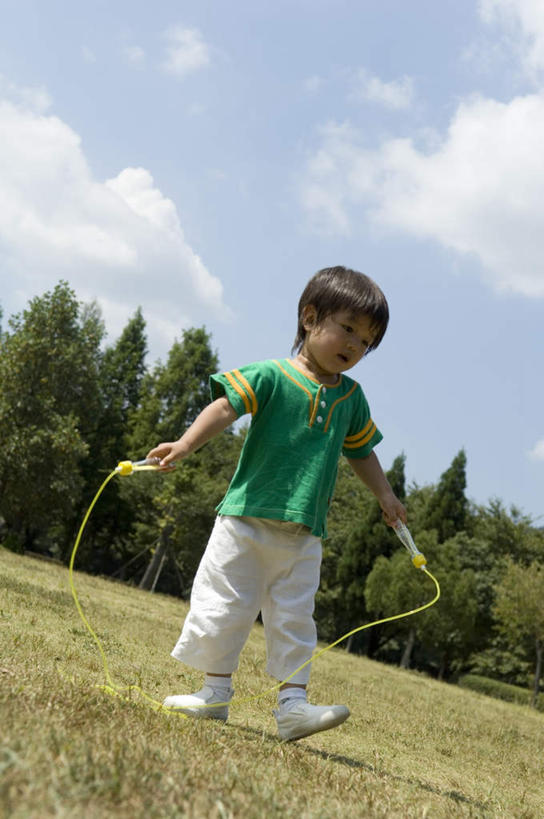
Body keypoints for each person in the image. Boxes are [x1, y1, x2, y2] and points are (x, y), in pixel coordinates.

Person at [147, 265, 407, 742]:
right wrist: (184, 445)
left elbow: (362, 452)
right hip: (243, 521)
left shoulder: (352, 399)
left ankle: (293, 707)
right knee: (223, 605)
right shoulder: (270, 375)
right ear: (310, 318)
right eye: (348, 328)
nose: (355, 345)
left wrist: (386, 495)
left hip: (304, 533)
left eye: (366, 341)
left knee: (294, 619)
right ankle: (213, 694)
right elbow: (225, 406)